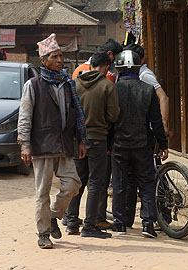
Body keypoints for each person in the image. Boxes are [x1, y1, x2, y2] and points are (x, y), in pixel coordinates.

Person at [17, 33, 87, 249]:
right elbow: (25, 116)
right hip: (43, 145)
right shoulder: (33, 85)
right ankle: (43, 233)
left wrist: (81, 140)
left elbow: (76, 114)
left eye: (60, 56)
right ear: (44, 61)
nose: (60, 60)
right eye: (54, 57)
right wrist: (25, 144)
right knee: (42, 193)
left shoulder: (67, 84)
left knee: (73, 184)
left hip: (65, 144)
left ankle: (54, 215)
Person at [111, 50, 168, 238]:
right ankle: (148, 225)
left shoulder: (113, 90)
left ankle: (119, 225)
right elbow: (156, 121)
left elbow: (109, 120)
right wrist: (163, 143)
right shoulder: (147, 89)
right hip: (142, 145)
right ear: (138, 68)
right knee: (146, 183)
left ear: (118, 69)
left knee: (119, 183)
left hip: (119, 145)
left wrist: (108, 144)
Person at [64, 52, 119, 238]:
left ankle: (71, 222)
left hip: (77, 140)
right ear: (105, 66)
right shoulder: (107, 86)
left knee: (78, 180)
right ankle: (89, 225)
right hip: (98, 139)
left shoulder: (76, 84)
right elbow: (113, 116)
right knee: (96, 181)